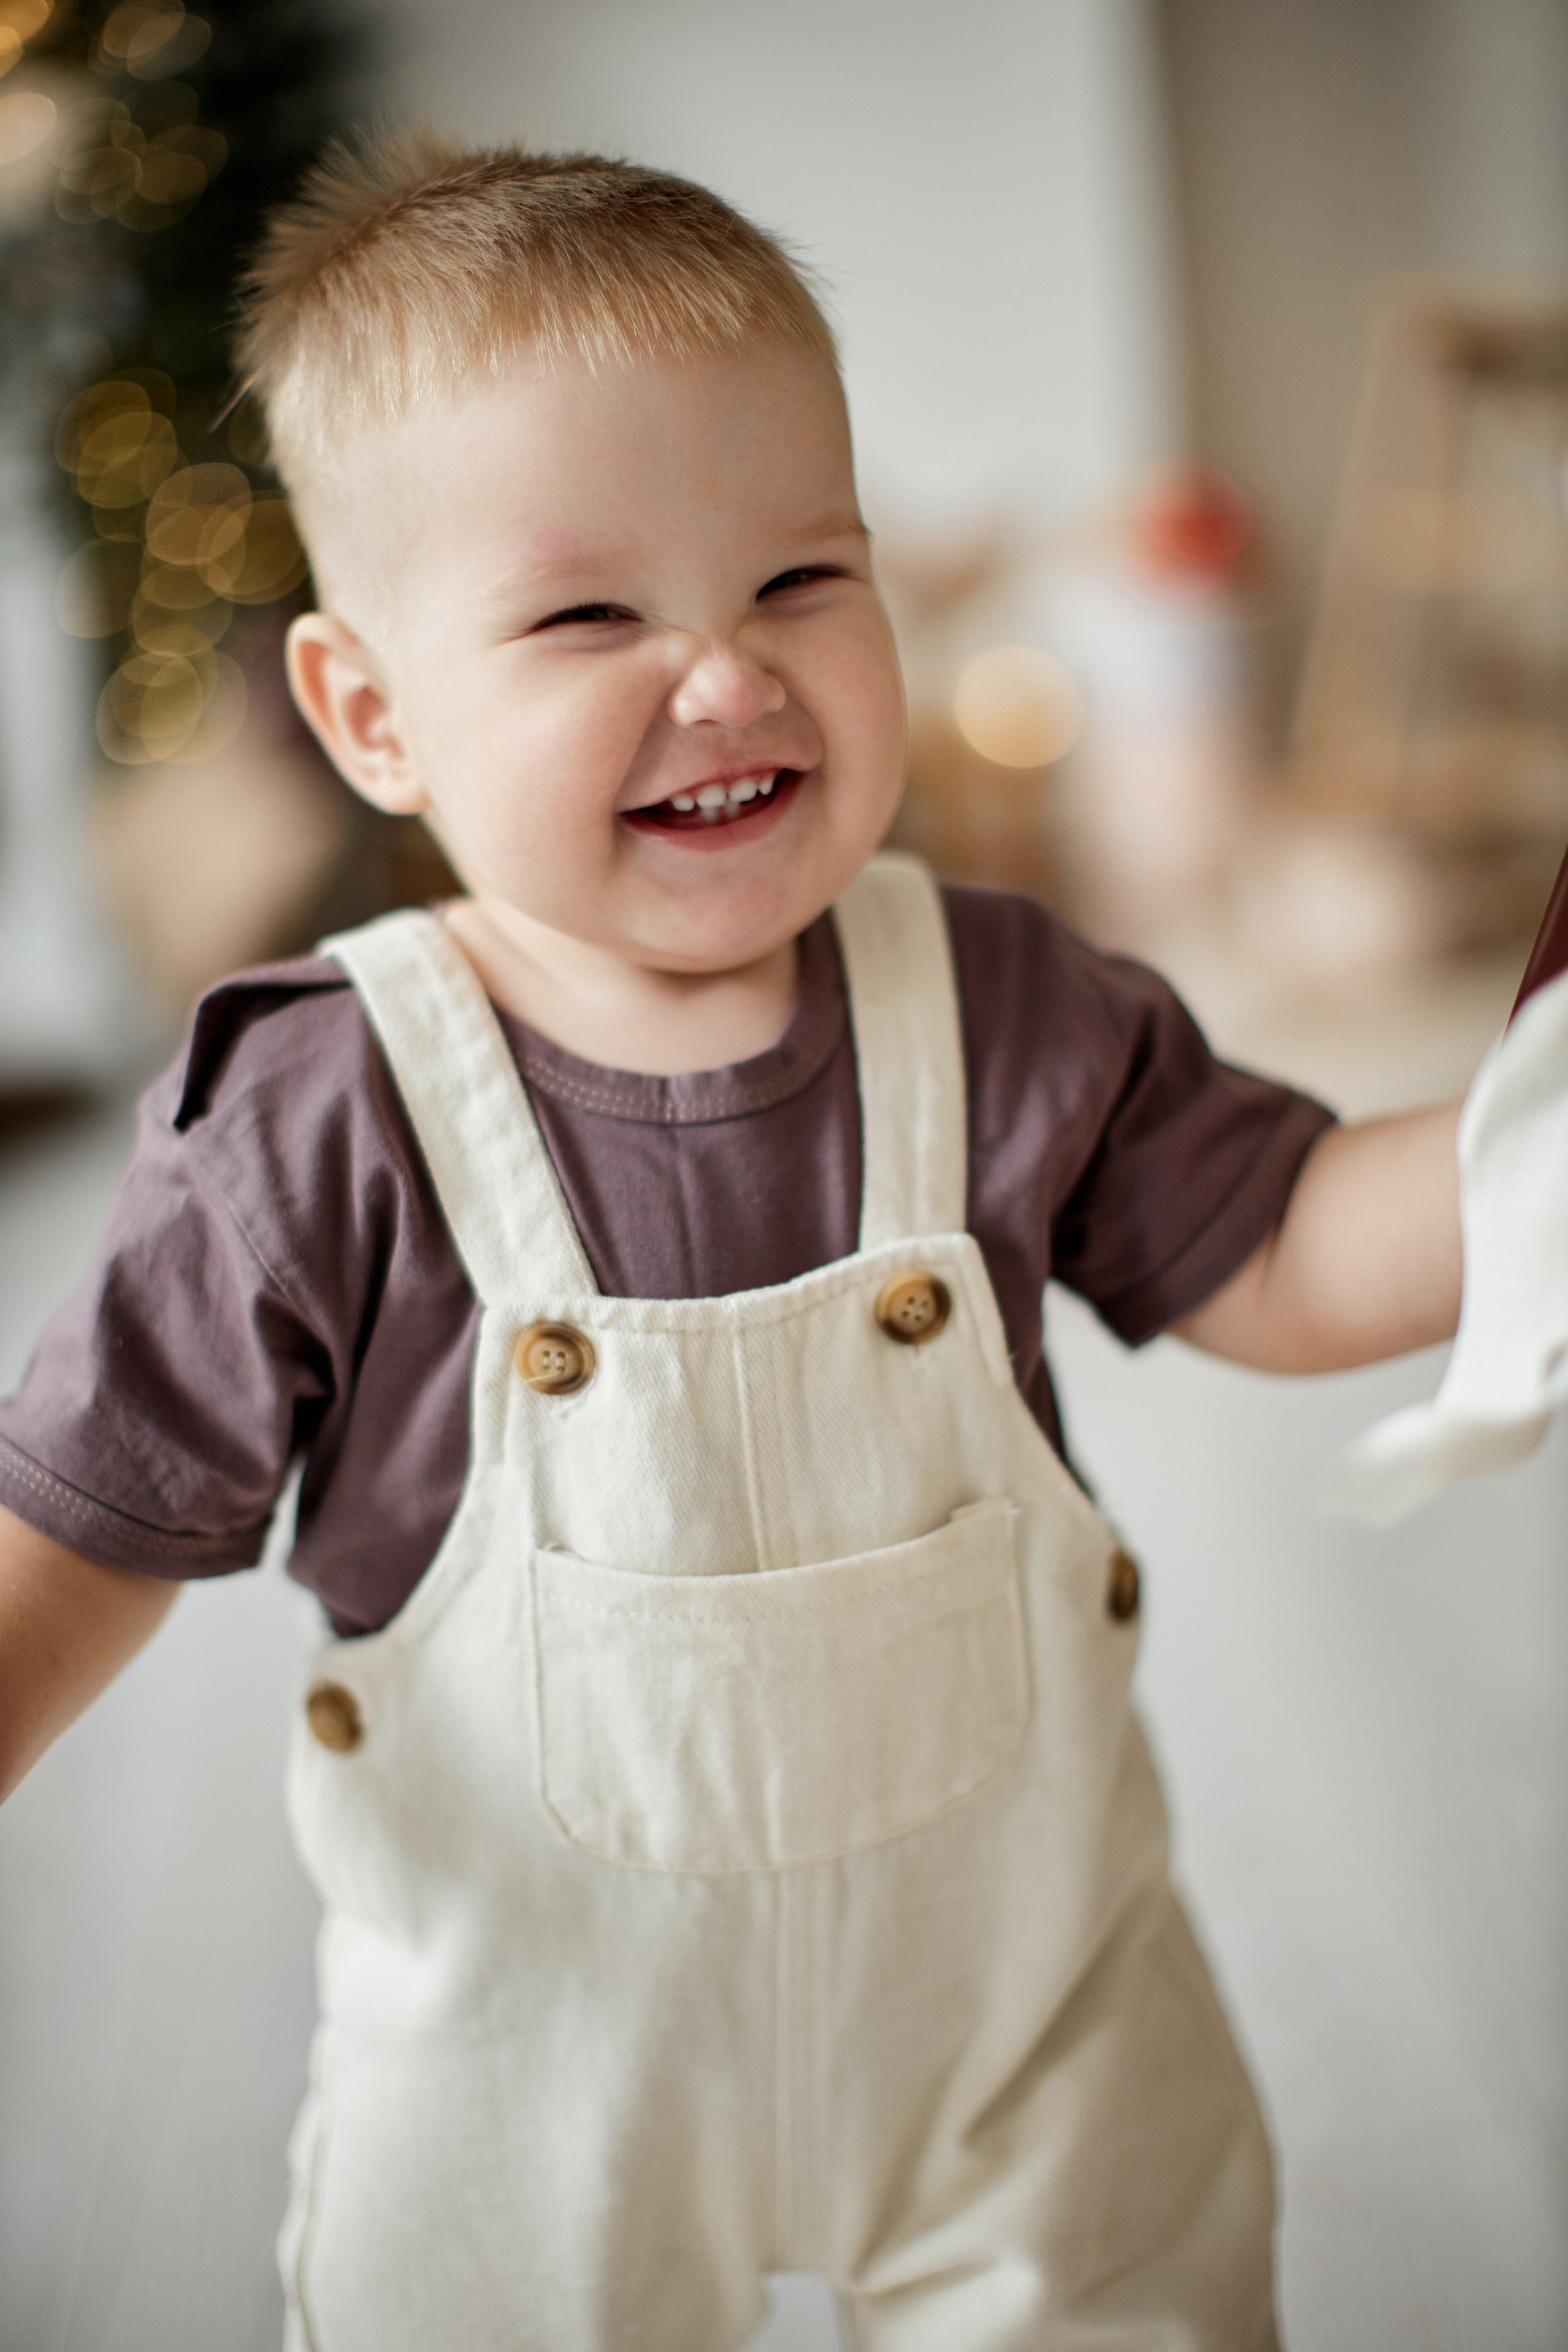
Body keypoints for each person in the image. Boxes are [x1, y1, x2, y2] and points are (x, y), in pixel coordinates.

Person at [0, 136, 1463, 2349]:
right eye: (594, 614)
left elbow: (1294, 1250)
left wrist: (1532, 1144)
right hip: (523, 2079)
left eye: (803, 579)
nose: (726, 675)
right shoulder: (319, 1112)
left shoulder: (1002, 998)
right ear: (374, 713)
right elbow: (73, 1536)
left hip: (1020, 2041)